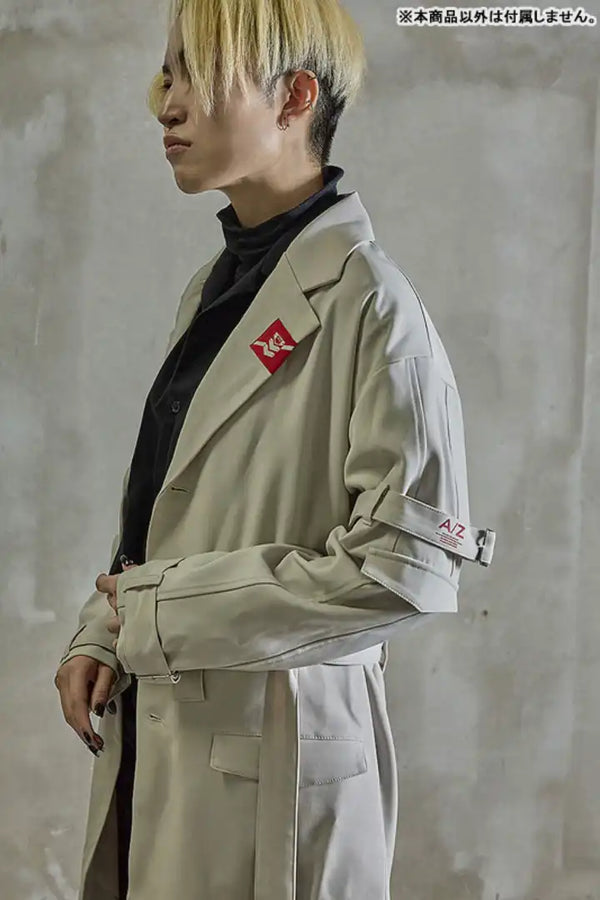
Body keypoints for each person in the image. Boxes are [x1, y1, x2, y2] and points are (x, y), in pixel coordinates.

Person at [54, 1, 496, 898]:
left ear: (295, 96)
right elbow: (177, 502)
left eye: (195, 73)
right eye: (168, 74)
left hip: (281, 772)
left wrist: (155, 614)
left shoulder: (374, 306)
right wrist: (105, 628)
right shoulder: (216, 289)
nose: (166, 103)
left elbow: (403, 570)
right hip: (172, 742)